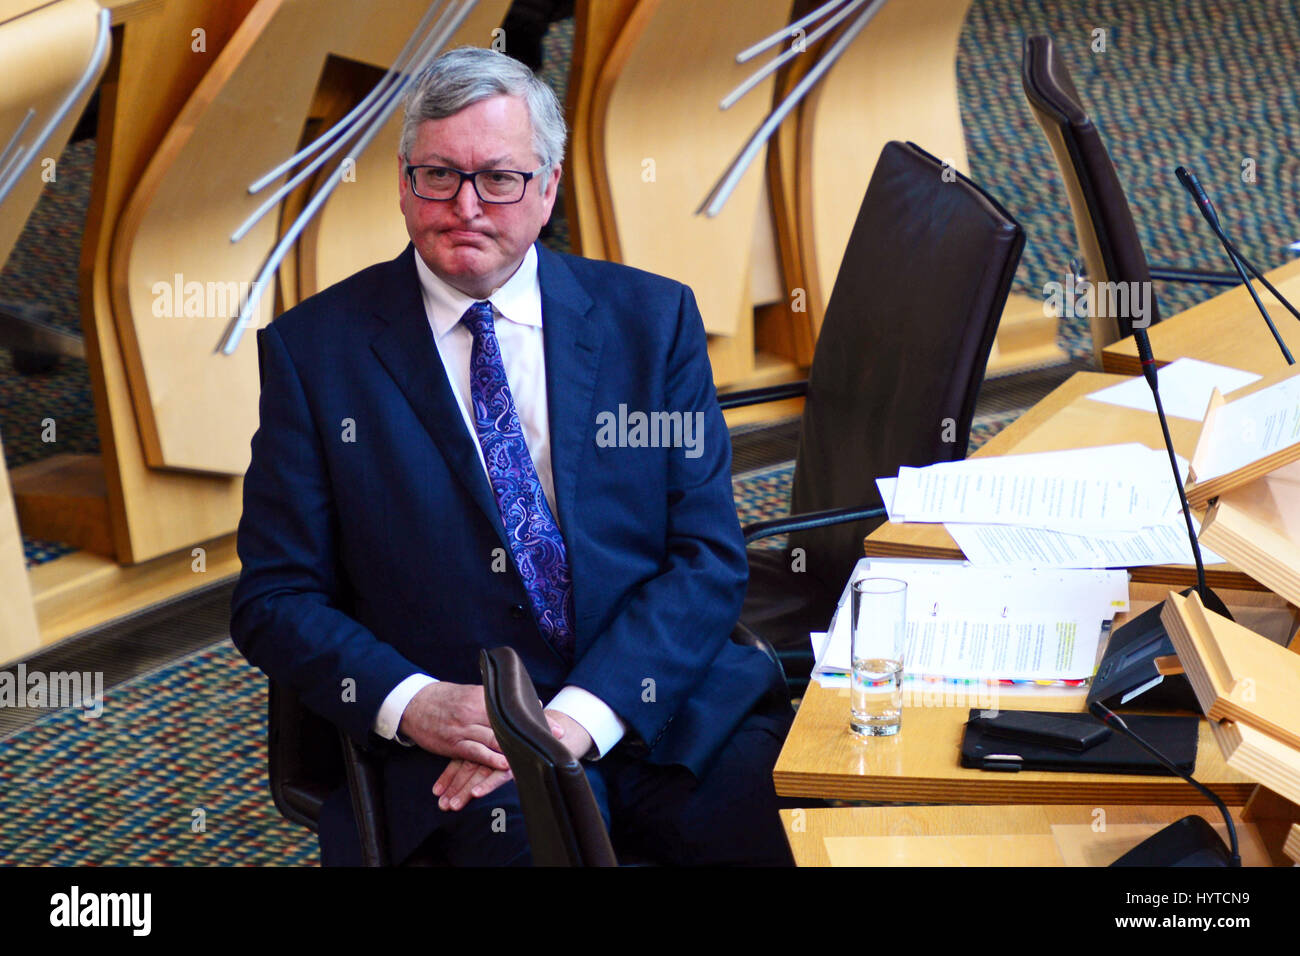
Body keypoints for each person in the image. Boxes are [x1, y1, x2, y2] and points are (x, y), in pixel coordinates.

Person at [229, 46, 795, 866]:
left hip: (657, 698)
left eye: (498, 178)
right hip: (467, 744)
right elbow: (275, 600)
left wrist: (579, 716)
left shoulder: (652, 322)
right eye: (438, 176)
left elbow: (706, 557)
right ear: (401, 182)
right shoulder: (317, 358)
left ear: (548, 187)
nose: (466, 206)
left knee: (783, 831)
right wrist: (417, 706)